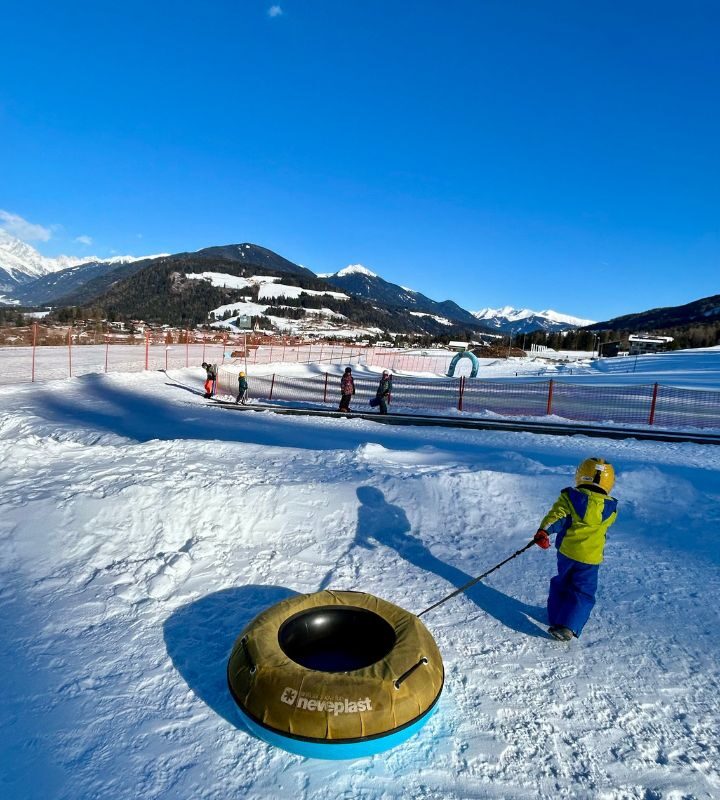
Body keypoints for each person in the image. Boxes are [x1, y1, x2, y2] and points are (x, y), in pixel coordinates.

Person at [534, 457, 618, 641]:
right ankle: (567, 626)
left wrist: (544, 532)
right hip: (591, 559)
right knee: (583, 592)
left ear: (580, 475)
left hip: (567, 553)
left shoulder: (570, 498)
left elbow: (557, 517)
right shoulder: (611, 509)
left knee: (562, 583)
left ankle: (555, 616)